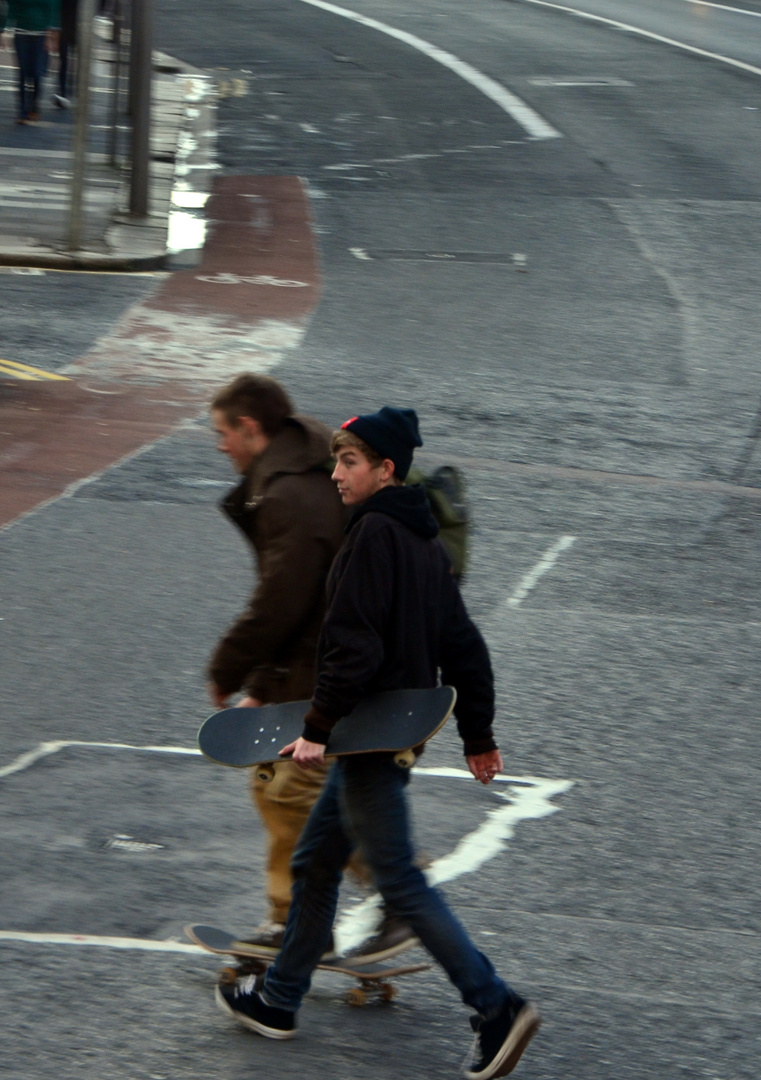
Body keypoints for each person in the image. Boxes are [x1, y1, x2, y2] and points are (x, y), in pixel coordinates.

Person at [215, 408, 541, 1080]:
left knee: (400, 882)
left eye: (349, 462)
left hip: (365, 739)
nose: (336, 474)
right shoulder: (423, 543)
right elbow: (464, 647)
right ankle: (278, 999)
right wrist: (477, 733)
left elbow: (350, 648)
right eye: (335, 460)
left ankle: (495, 1007)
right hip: (392, 733)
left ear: (384, 468)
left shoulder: (370, 539)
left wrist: (316, 729)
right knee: (314, 861)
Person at [205, 375, 347, 955]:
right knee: (275, 782)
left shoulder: (289, 494)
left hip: (342, 663)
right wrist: (262, 685)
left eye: (222, 433)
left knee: (294, 788)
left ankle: (392, 890)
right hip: (319, 657)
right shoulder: (295, 470)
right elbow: (301, 599)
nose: (219, 446)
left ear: (250, 428)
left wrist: (229, 667)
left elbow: (283, 600)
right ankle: (296, 917)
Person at [8, 0, 58, 123]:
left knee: (36, 73)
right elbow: (12, 6)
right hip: (21, 33)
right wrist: (3, 30)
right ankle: (22, 111)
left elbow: (52, 10)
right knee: (22, 73)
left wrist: (51, 37)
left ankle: (34, 106)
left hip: (41, 36)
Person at [53, 0, 78, 108]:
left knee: (65, 61)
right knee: (65, 60)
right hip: (68, 24)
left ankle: (65, 91)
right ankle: (64, 92)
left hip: (69, 23)